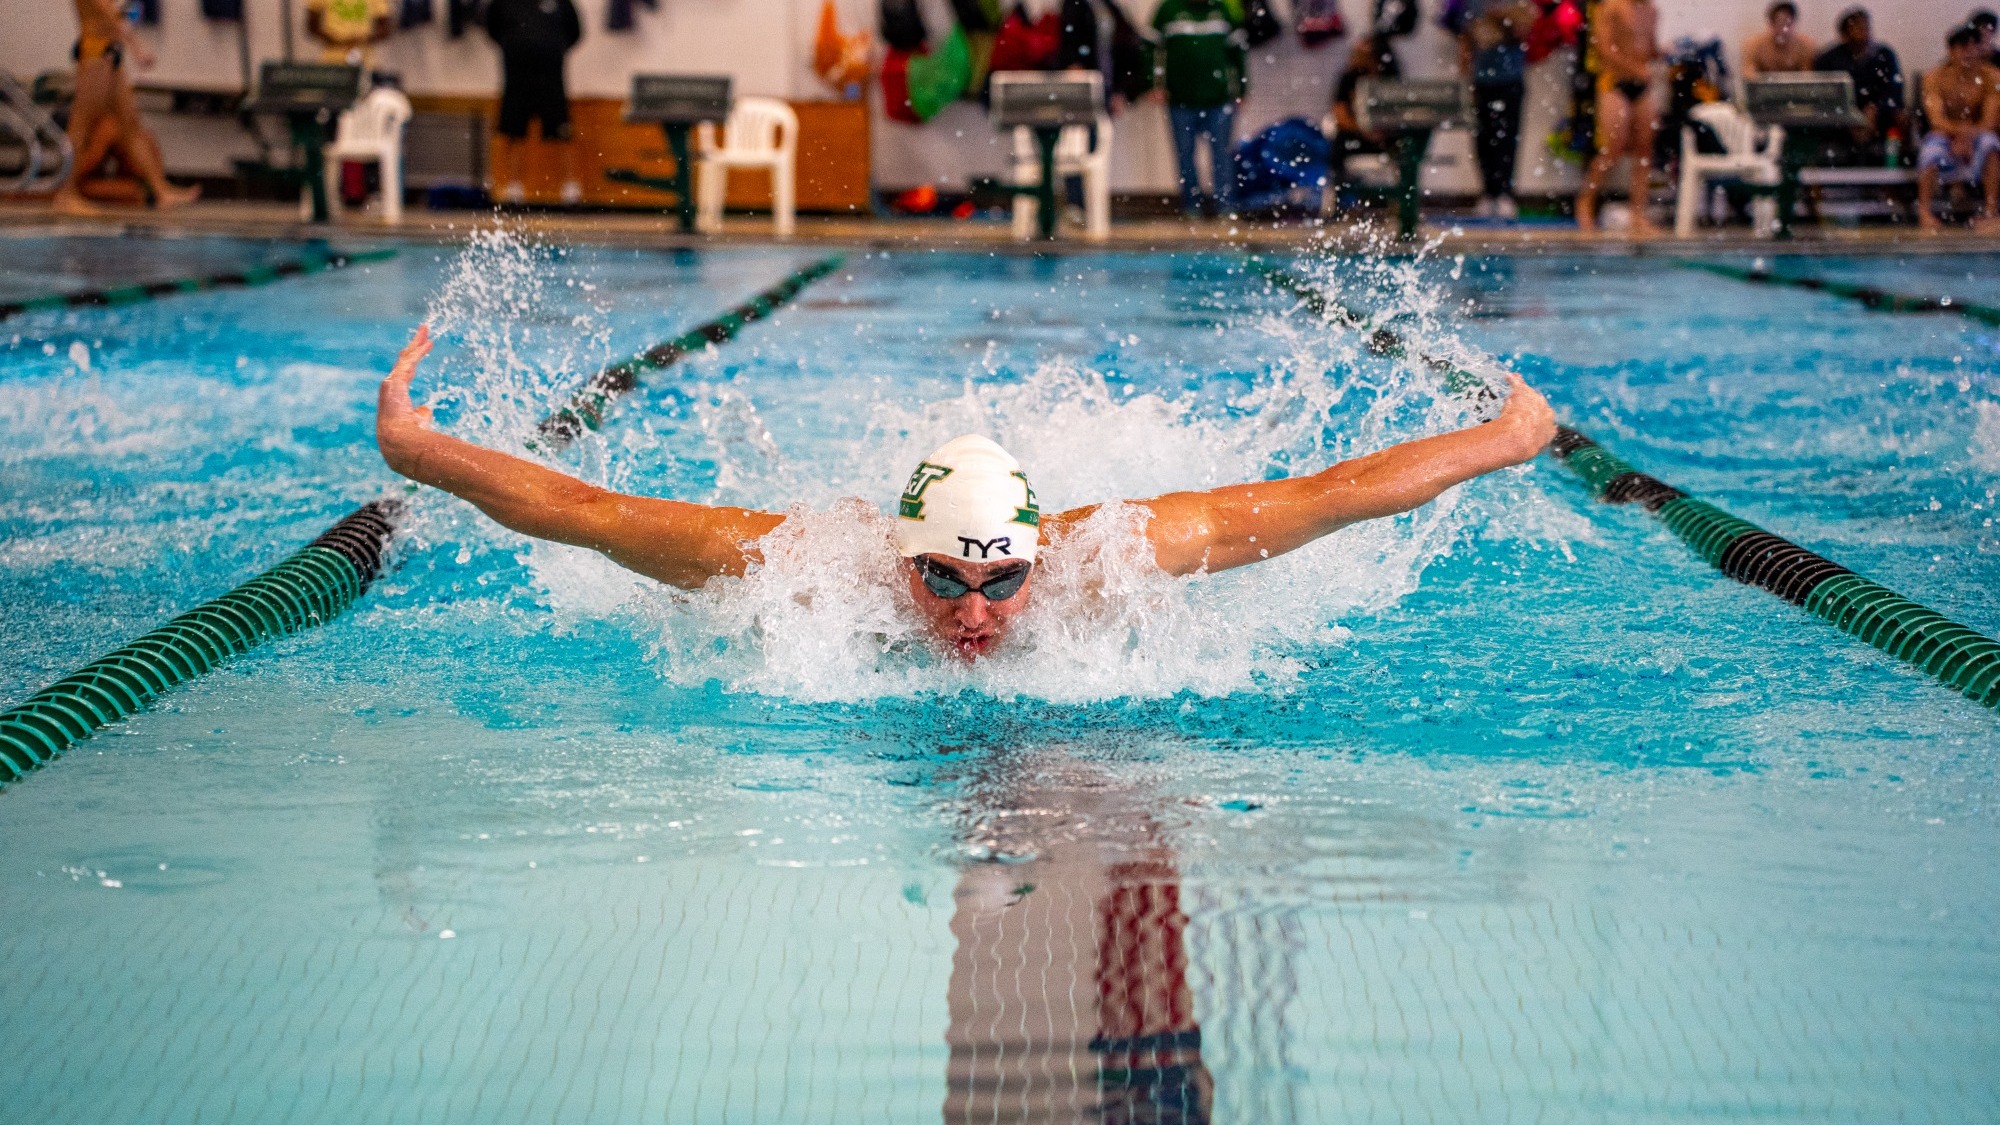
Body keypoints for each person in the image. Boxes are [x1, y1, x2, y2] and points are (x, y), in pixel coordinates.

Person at [374, 325, 1558, 661]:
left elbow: (1330, 494)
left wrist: (1507, 441)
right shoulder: (806, 564)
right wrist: (423, 454)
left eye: (1001, 580)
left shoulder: (1115, 553)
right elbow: (592, 516)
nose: (975, 614)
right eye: (942, 578)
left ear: (1043, 555)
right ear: (898, 559)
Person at [50, 0, 200, 216]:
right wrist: (137, 48)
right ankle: (65, 194)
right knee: (82, 126)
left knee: (131, 127)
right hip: (95, 55)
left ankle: (161, 190)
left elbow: (119, 14)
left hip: (110, 56)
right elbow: (110, 18)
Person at [1153, 0, 1249, 217]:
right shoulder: (1169, 9)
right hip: (1180, 99)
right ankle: (1191, 207)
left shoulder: (1222, 10)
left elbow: (1237, 52)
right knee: (1185, 157)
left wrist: (1242, 89)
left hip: (1218, 99)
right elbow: (1150, 46)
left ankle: (1225, 207)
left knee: (1222, 156)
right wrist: (1153, 82)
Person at [483, 0, 584, 205]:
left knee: (562, 132)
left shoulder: (561, 3)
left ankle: (570, 189)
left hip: (551, 79)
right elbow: (492, 29)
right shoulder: (503, 4)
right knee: (514, 133)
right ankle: (513, 188)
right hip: (516, 79)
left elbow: (575, 33)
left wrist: (552, 48)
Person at [1575, 0, 1660, 234]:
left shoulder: (1652, 11)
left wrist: (1664, 52)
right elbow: (1603, 49)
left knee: (1644, 150)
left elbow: (1649, 47)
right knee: (1613, 148)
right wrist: (1635, 68)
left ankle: (1637, 213)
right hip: (1614, 82)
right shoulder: (1610, 7)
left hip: (1641, 84)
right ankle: (1585, 202)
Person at [1447, 0, 1536, 219]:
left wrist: (1501, 17)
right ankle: (1488, 191)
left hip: (1510, 80)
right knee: (1482, 138)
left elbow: (1526, 31)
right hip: (1483, 80)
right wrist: (1465, 76)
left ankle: (1505, 191)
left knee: (1508, 138)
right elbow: (1466, 40)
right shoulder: (1473, 4)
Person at [1917, 24, 2000, 232]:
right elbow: (1936, 119)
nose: (1970, 53)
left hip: (1977, 134)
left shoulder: (1993, 77)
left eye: (1974, 47)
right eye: (1964, 48)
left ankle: (1991, 211)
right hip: (1945, 135)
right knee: (1930, 151)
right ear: (1951, 51)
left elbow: (1991, 120)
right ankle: (1925, 211)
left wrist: (1968, 136)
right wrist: (1960, 134)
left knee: (1991, 144)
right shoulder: (1934, 77)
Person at [1812, 7, 1903, 160]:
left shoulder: (1884, 55)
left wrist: (1875, 109)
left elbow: (1894, 91)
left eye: (1866, 27)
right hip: (1841, 123)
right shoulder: (1828, 59)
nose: (1864, 32)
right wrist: (1850, 117)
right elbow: (1822, 96)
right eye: (1858, 28)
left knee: (1898, 116)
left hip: (1879, 120)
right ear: (1844, 34)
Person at [306, 0, 394, 66]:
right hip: (332, 60)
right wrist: (336, 40)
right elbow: (311, 26)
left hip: (364, 61)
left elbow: (385, 28)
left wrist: (362, 40)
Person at [1742, 1, 1815, 78]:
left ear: (1794, 23)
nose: (1783, 30)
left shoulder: (1805, 45)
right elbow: (1748, 75)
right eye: (1779, 24)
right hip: (1765, 89)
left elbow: (1807, 77)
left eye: (1787, 25)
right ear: (1771, 24)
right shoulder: (1754, 45)